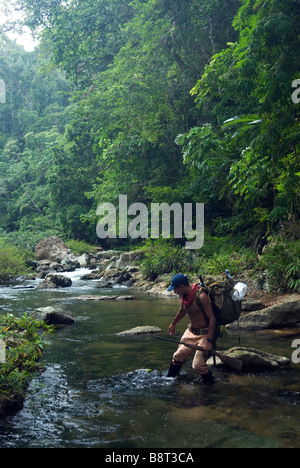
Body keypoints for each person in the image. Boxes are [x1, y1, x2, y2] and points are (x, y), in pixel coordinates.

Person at [167, 274, 216, 385]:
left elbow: (212, 319)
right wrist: (173, 323)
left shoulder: (201, 296)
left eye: (175, 289)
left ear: (181, 287)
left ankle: (211, 389)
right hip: (190, 332)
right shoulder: (183, 295)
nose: (175, 292)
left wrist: (209, 341)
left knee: (198, 366)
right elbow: (183, 309)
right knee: (177, 358)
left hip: (204, 334)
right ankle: (169, 383)